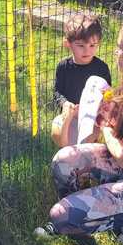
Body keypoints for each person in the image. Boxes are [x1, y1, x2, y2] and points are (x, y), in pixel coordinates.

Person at [36, 15, 123, 245]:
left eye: (121, 48)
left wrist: (105, 125)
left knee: (61, 215)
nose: (116, 53)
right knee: (63, 160)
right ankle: (95, 210)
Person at [51, 14, 111, 147]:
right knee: (61, 137)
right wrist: (65, 103)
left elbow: (108, 95)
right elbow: (57, 92)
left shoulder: (101, 68)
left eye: (92, 45)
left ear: (99, 43)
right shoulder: (63, 67)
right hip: (70, 118)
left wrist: (101, 107)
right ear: (67, 43)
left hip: (92, 120)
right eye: (81, 45)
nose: (87, 50)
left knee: (88, 150)